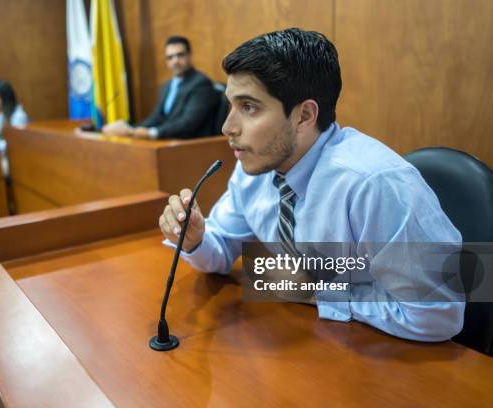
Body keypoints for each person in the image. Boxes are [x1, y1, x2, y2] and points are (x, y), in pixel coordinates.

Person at [158, 28, 465, 342]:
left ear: (304, 115)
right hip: (302, 342)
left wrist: (318, 293)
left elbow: (436, 315)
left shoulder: (374, 185)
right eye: (231, 106)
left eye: (248, 107)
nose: (227, 127)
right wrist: (195, 238)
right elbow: (221, 251)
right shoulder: (257, 167)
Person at [102, 36, 218, 139]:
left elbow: (188, 123)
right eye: (170, 57)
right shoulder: (166, 86)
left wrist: (152, 133)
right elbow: (156, 118)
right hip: (168, 143)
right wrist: (129, 129)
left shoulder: (201, 83)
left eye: (180, 55)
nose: (175, 61)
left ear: (189, 55)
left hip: (191, 146)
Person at [0, 80, 29, 176]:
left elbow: (15, 144)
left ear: (5, 98)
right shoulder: (2, 115)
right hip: (1, 158)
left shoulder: (19, 116)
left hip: (14, 161)